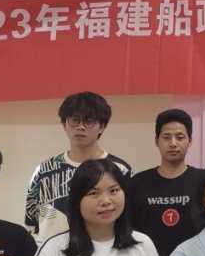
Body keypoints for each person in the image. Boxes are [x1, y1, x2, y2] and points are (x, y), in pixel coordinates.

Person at [25, 91, 131, 243]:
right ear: (64, 124)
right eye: (74, 120)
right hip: (52, 251)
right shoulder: (44, 170)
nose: (80, 127)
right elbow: (31, 220)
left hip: (104, 250)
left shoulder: (120, 169)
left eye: (89, 121)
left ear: (102, 127)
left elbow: (128, 217)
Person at [32, 159, 161, 256]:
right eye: (94, 193)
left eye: (114, 191)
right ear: (77, 200)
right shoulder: (53, 248)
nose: (106, 201)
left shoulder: (143, 244)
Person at [128, 109, 203, 256]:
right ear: (157, 141)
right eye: (166, 137)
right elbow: (129, 230)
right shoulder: (137, 183)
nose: (173, 143)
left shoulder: (203, 180)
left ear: (190, 141)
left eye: (180, 137)